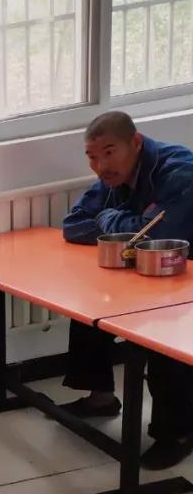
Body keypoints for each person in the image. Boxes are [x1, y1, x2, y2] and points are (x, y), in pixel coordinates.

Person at [60, 111, 193, 469]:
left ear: (135, 142)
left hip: (184, 276)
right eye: (92, 157)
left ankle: (178, 432)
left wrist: (108, 220)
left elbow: (158, 237)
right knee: (90, 305)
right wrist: (125, 225)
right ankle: (101, 397)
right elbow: (73, 225)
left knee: (163, 336)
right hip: (149, 271)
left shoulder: (179, 172)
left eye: (109, 152)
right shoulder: (113, 176)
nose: (100, 166)